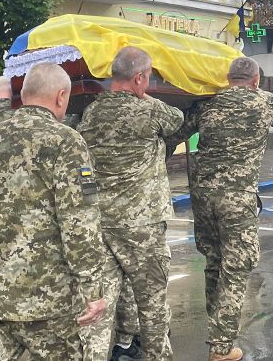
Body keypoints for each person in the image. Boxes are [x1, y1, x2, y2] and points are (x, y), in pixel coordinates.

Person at [0, 63, 106, 359]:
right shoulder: (66, 142)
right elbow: (79, 223)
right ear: (61, 97)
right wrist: (92, 290)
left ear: (23, 93)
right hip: (49, 301)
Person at [76, 47, 184, 361]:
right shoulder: (149, 111)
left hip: (102, 223)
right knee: (152, 304)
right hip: (143, 225)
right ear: (138, 78)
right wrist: (144, 96)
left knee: (100, 303)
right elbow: (177, 118)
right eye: (146, 79)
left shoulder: (92, 113)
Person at [181, 57, 273, 361]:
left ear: (228, 79)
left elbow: (181, 129)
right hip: (236, 198)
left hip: (202, 196)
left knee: (214, 262)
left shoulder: (207, 104)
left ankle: (217, 330)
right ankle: (221, 347)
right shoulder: (265, 101)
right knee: (236, 266)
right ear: (254, 80)